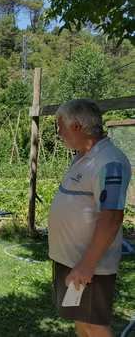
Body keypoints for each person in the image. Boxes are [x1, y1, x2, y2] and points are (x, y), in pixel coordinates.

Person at [49, 99, 131, 337]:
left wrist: (86, 265)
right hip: (72, 261)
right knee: (81, 319)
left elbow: (112, 217)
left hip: (89, 266)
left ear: (76, 126)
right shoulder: (84, 156)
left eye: (60, 126)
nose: (59, 133)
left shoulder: (109, 161)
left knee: (94, 324)